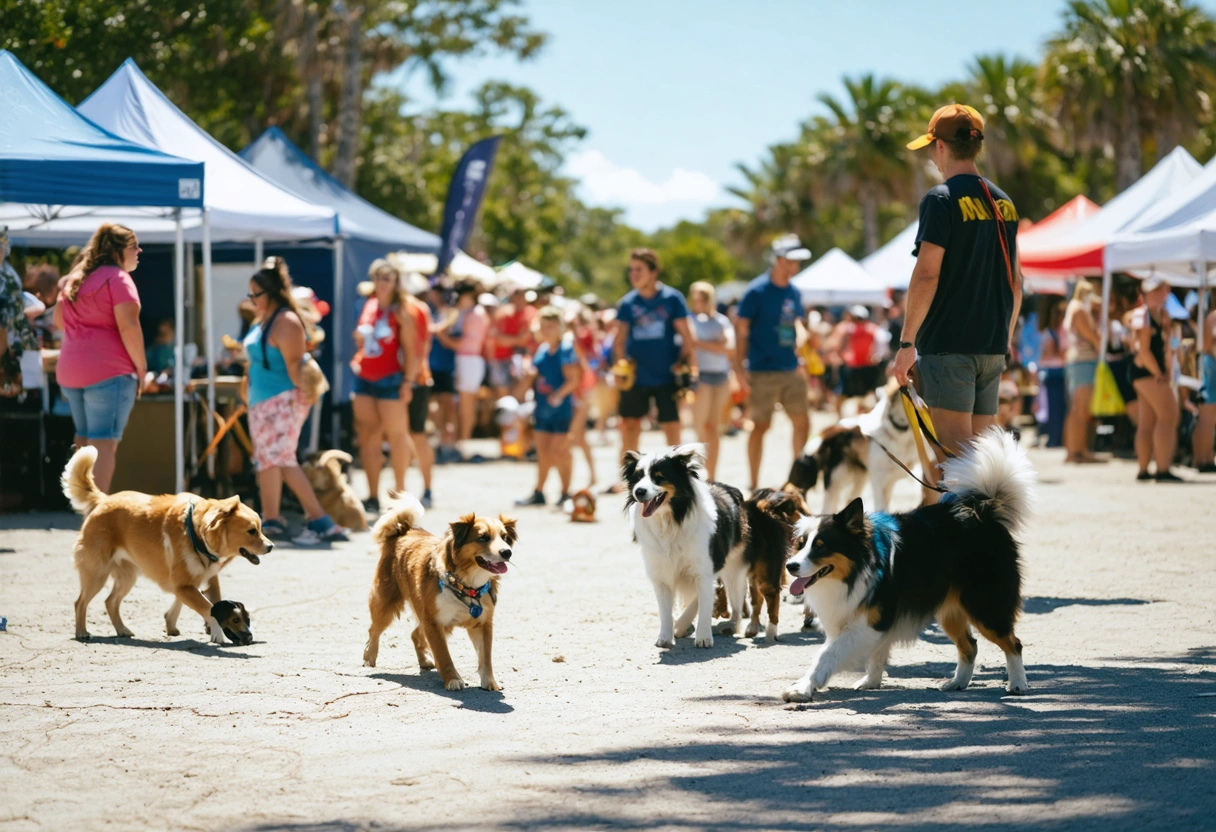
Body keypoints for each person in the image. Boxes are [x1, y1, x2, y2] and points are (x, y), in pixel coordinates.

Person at [893, 104, 1023, 482]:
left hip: (949, 347)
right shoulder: (1004, 203)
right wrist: (1006, 339)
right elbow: (1016, 281)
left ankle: (972, 542)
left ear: (940, 147)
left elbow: (927, 274)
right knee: (981, 465)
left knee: (956, 468)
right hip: (991, 346)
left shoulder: (941, 198)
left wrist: (906, 345)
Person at [243, 257, 348, 545]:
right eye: (249, 294)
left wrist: (301, 402)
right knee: (267, 461)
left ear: (272, 292)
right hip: (261, 400)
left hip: (284, 399)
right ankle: (272, 518)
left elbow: (295, 366)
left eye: (256, 294)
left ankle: (321, 520)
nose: (251, 299)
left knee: (282, 460)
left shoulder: (286, 321)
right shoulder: (263, 319)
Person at [53, 223, 146, 494]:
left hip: (71, 372)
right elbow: (129, 327)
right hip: (109, 373)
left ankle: (84, 508)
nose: (139, 251)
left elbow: (59, 321)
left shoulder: (76, 278)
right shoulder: (118, 279)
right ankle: (97, 516)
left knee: (83, 440)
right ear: (118, 250)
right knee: (104, 443)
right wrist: (141, 368)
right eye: (133, 246)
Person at [610, 249, 697, 490]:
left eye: (639, 269)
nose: (634, 274)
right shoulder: (628, 302)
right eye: (631, 269)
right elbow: (619, 340)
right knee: (629, 425)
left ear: (653, 272)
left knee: (671, 425)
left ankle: (677, 473)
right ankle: (630, 475)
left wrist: (682, 364)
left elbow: (687, 337)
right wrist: (621, 367)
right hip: (636, 376)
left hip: (666, 375)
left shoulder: (672, 298)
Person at [735, 234, 812, 490]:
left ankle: (796, 482)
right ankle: (754, 483)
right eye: (792, 260)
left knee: (803, 421)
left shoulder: (794, 291)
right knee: (760, 426)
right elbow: (742, 329)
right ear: (779, 260)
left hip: (791, 367)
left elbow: (796, 323)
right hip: (762, 370)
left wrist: (802, 336)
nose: (797, 266)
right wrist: (739, 367)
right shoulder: (756, 291)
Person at [350, 259, 418, 513]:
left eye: (387, 278)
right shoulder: (368, 304)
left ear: (396, 282)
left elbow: (412, 350)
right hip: (364, 376)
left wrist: (408, 381)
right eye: (378, 277)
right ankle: (371, 495)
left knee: (397, 436)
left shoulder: (402, 311)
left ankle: (400, 495)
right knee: (368, 436)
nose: (382, 283)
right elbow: (361, 338)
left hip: (391, 379)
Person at [515, 306, 580, 507]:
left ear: (559, 327)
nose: (546, 330)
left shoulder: (566, 349)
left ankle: (565, 492)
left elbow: (573, 379)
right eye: (543, 326)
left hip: (560, 409)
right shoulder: (542, 349)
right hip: (542, 408)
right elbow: (535, 374)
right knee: (542, 450)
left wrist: (557, 396)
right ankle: (539, 491)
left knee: (560, 451)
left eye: (550, 326)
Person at [1128, 277, 1180, 482]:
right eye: (1155, 292)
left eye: (1162, 291)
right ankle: (1163, 469)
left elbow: (1168, 344)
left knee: (1147, 421)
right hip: (1148, 373)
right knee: (1169, 416)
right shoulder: (1145, 315)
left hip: (1147, 373)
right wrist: (1159, 373)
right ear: (1145, 295)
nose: (1160, 295)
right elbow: (1143, 350)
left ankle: (1144, 470)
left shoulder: (1161, 314)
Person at [435, 279, 488, 460]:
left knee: (466, 404)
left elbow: (466, 343)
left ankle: (462, 443)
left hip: (469, 360)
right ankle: (458, 442)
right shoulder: (466, 313)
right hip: (464, 361)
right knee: (461, 404)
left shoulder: (475, 314)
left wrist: (443, 337)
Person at [688, 281, 735, 481]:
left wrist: (700, 343)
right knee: (701, 427)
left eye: (703, 298)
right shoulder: (690, 320)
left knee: (715, 427)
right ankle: (700, 471)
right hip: (702, 376)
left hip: (721, 376)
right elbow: (690, 345)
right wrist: (715, 344)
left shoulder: (721, 320)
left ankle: (712, 474)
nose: (699, 302)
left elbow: (728, 346)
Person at [1062, 280, 1104, 463]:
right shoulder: (1079, 309)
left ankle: (1076, 451)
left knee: (1076, 409)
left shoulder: (1074, 307)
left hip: (1077, 361)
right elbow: (1093, 337)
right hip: (1083, 362)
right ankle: (1077, 452)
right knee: (1080, 409)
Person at [403, 279, 436, 507]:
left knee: (417, 435)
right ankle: (402, 489)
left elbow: (423, 347)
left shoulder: (418, 308)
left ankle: (427, 488)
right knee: (399, 435)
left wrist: (411, 375)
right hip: (395, 380)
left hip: (417, 379)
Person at [427, 285, 460, 463]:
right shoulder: (429, 312)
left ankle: (449, 443)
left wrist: (438, 332)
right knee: (432, 406)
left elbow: (452, 340)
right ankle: (437, 441)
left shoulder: (451, 313)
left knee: (448, 406)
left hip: (446, 366)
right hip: (431, 365)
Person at [488, 287, 535, 402]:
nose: (518, 299)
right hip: (501, 357)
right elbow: (498, 338)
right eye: (516, 296)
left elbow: (528, 338)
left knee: (520, 390)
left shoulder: (532, 313)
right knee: (501, 391)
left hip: (523, 357)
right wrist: (518, 339)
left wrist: (510, 340)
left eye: (521, 296)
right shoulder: (503, 312)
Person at [1037, 298, 1067, 448]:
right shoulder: (1056, 333)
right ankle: (1055, 439)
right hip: (1056, 372)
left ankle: (1054, 439)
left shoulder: (1047, 332)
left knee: (1054, 409)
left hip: (1050, 372)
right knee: (1056, 409)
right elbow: (1053, 353)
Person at [1194, 293, 1216, 473]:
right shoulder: (1213, 317)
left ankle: (1205, 457)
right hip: (1211, 364)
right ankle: (1203, 458)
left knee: (1208, 416)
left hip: (1209, 363)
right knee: (1208, 415)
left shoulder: (1211, 316)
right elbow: (1208, 345)